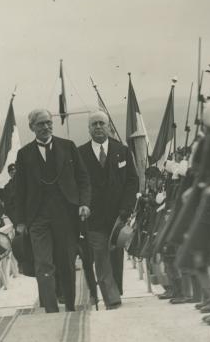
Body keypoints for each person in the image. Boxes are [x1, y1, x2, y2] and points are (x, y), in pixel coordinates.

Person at [15, 108, 90, 313]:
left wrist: (84, 203)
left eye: (48, 122)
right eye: (40, 124)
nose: (46, 127)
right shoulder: (24, 154)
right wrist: (20, 222)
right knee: (43, 264)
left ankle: (70, 307)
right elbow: (19, 190)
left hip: (66, 215)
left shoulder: (68, 147)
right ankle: (50, 310)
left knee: (66, 263)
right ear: (32, 127)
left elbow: (83, 179)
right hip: (38, 218)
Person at [78, 111, 138, 309]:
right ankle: (111, 297)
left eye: (101, 123)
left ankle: (115, 291)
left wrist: (126, 208)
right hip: (93, 216)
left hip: (118, 215)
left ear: (108, 127)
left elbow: (131, 181)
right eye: (93, 124)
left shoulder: (122, 150)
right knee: (100, 256)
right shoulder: (80, 153)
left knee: (116, 254)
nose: (97, 127)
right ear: (88, 129)